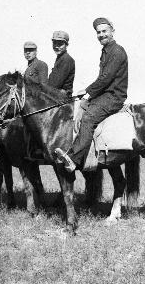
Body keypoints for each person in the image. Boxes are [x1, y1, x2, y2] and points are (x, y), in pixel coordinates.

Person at [55, 17, 128, 172]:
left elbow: (106, 78)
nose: (101, 35)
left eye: (104, 31)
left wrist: (88, 92)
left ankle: (74, 159)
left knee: (88, 117)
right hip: (105, 94)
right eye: (98, 32)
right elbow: (102, 79)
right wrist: (85, 92)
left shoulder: (117, 51)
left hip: (113, 96)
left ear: (112, 31)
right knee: (78, 108)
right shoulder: (106, 51)